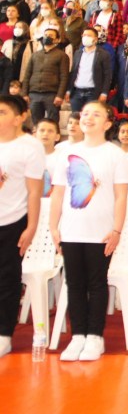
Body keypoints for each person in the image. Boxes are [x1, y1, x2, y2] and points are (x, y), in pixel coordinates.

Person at [49, 101, 128, 361]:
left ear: (107, 123)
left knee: (96, 283)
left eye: (96, 114)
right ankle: (78, 336)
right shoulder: (66, 152)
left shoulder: (115, 154)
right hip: (71, 230)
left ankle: (95, 336)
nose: (88, 118)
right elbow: (58, 193)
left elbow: (121, 196)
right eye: (85, 114)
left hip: (101, 232)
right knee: (74, 283)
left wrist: (116, 230)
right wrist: (53, 226)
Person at [0, 95, 44, 358]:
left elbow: (34, 191)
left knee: (6, 278)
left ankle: (4, 333)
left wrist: (31, 226)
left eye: (2, 112)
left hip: (12, 220)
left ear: (19, 118)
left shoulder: (30, 146)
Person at [22, 26, 70, 124]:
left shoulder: (62, 55)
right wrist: (24, 93)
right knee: (36, 122)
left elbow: (64, 77)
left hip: (51, 94)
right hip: (34, 93)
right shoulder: (35, 55)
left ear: (57, 40)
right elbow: (27, 75)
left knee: (52, 122)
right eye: (46, 35)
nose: (47, 37)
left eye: (51, 35)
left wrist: (60, 95)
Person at [65, 27, 112, 111]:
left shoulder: (103, 54)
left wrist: (104, 93)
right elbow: (73, 73)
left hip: (93, 93)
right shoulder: (78, 53)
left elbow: (107, 75)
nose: (86, 37)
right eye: (84, 35)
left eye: (89, 35)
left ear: (95, 39)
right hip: (76, 92)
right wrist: (68, 91)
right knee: (76, 116)